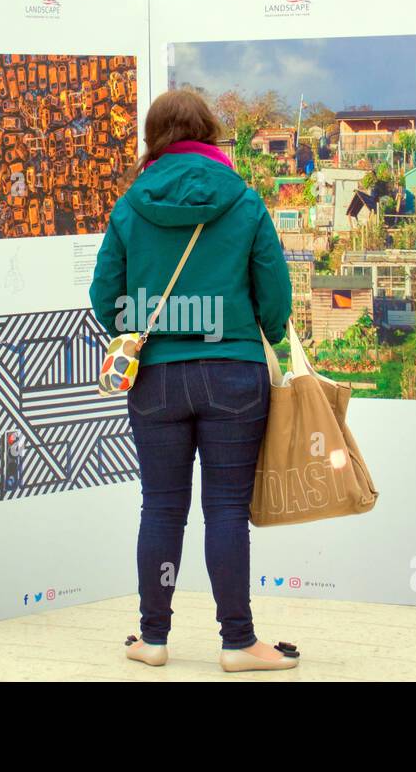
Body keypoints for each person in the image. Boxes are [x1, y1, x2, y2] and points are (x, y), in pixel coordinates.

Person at [89, 89, 297, 673]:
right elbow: (275, 297)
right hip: (234, 376)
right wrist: (267, 332)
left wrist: (135, 327)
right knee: (226, 511)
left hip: (155, 379)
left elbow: (104, 296)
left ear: (154, 136)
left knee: (161, 507)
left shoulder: (131, 206)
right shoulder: (245, 201)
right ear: (209, 132)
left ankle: (152, 637)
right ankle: (238, 642)